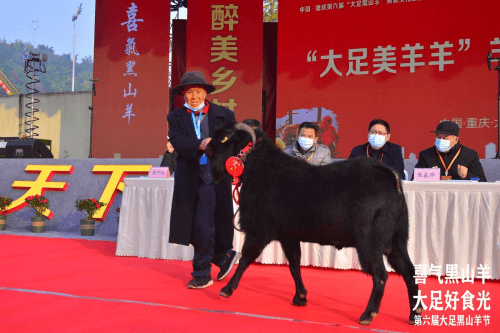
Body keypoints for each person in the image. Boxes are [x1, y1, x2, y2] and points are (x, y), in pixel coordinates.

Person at [167, 71, 241, 289]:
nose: (194, 96)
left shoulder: (224, 114)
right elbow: (178, 142)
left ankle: (202, 272)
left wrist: (227, 157)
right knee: (196, 225)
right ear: (183, 94)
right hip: (190, 178)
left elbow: (234, 143)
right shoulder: (176, 117)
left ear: (206, 92)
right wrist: (199, 144)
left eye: (198, 91)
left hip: (215, 177)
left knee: (204, 224)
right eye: (189, 92)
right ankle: (222, 257)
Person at [413, 121, 487, 181]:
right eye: (438, 137)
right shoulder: (425, 155)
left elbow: (482, 181)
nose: (441, 141)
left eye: (445, 138)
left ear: (456, 140)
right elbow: (414, 179)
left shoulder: (470, 155)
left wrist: (467, 175)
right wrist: (428, 174)